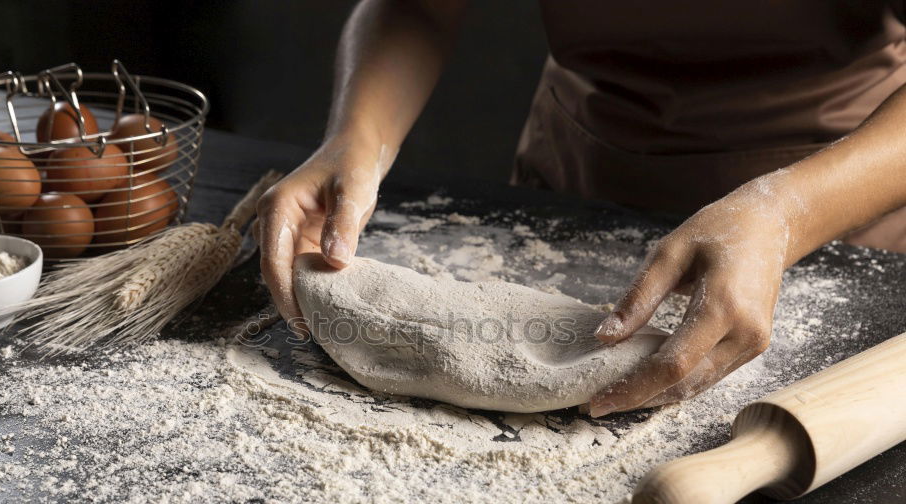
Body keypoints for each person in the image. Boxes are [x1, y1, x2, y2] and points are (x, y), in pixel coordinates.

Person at [256, 0, 906, 417]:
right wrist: (358, 137)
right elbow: (420, 7)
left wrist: (786, 212)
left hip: (839, 208)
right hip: (578, 181)